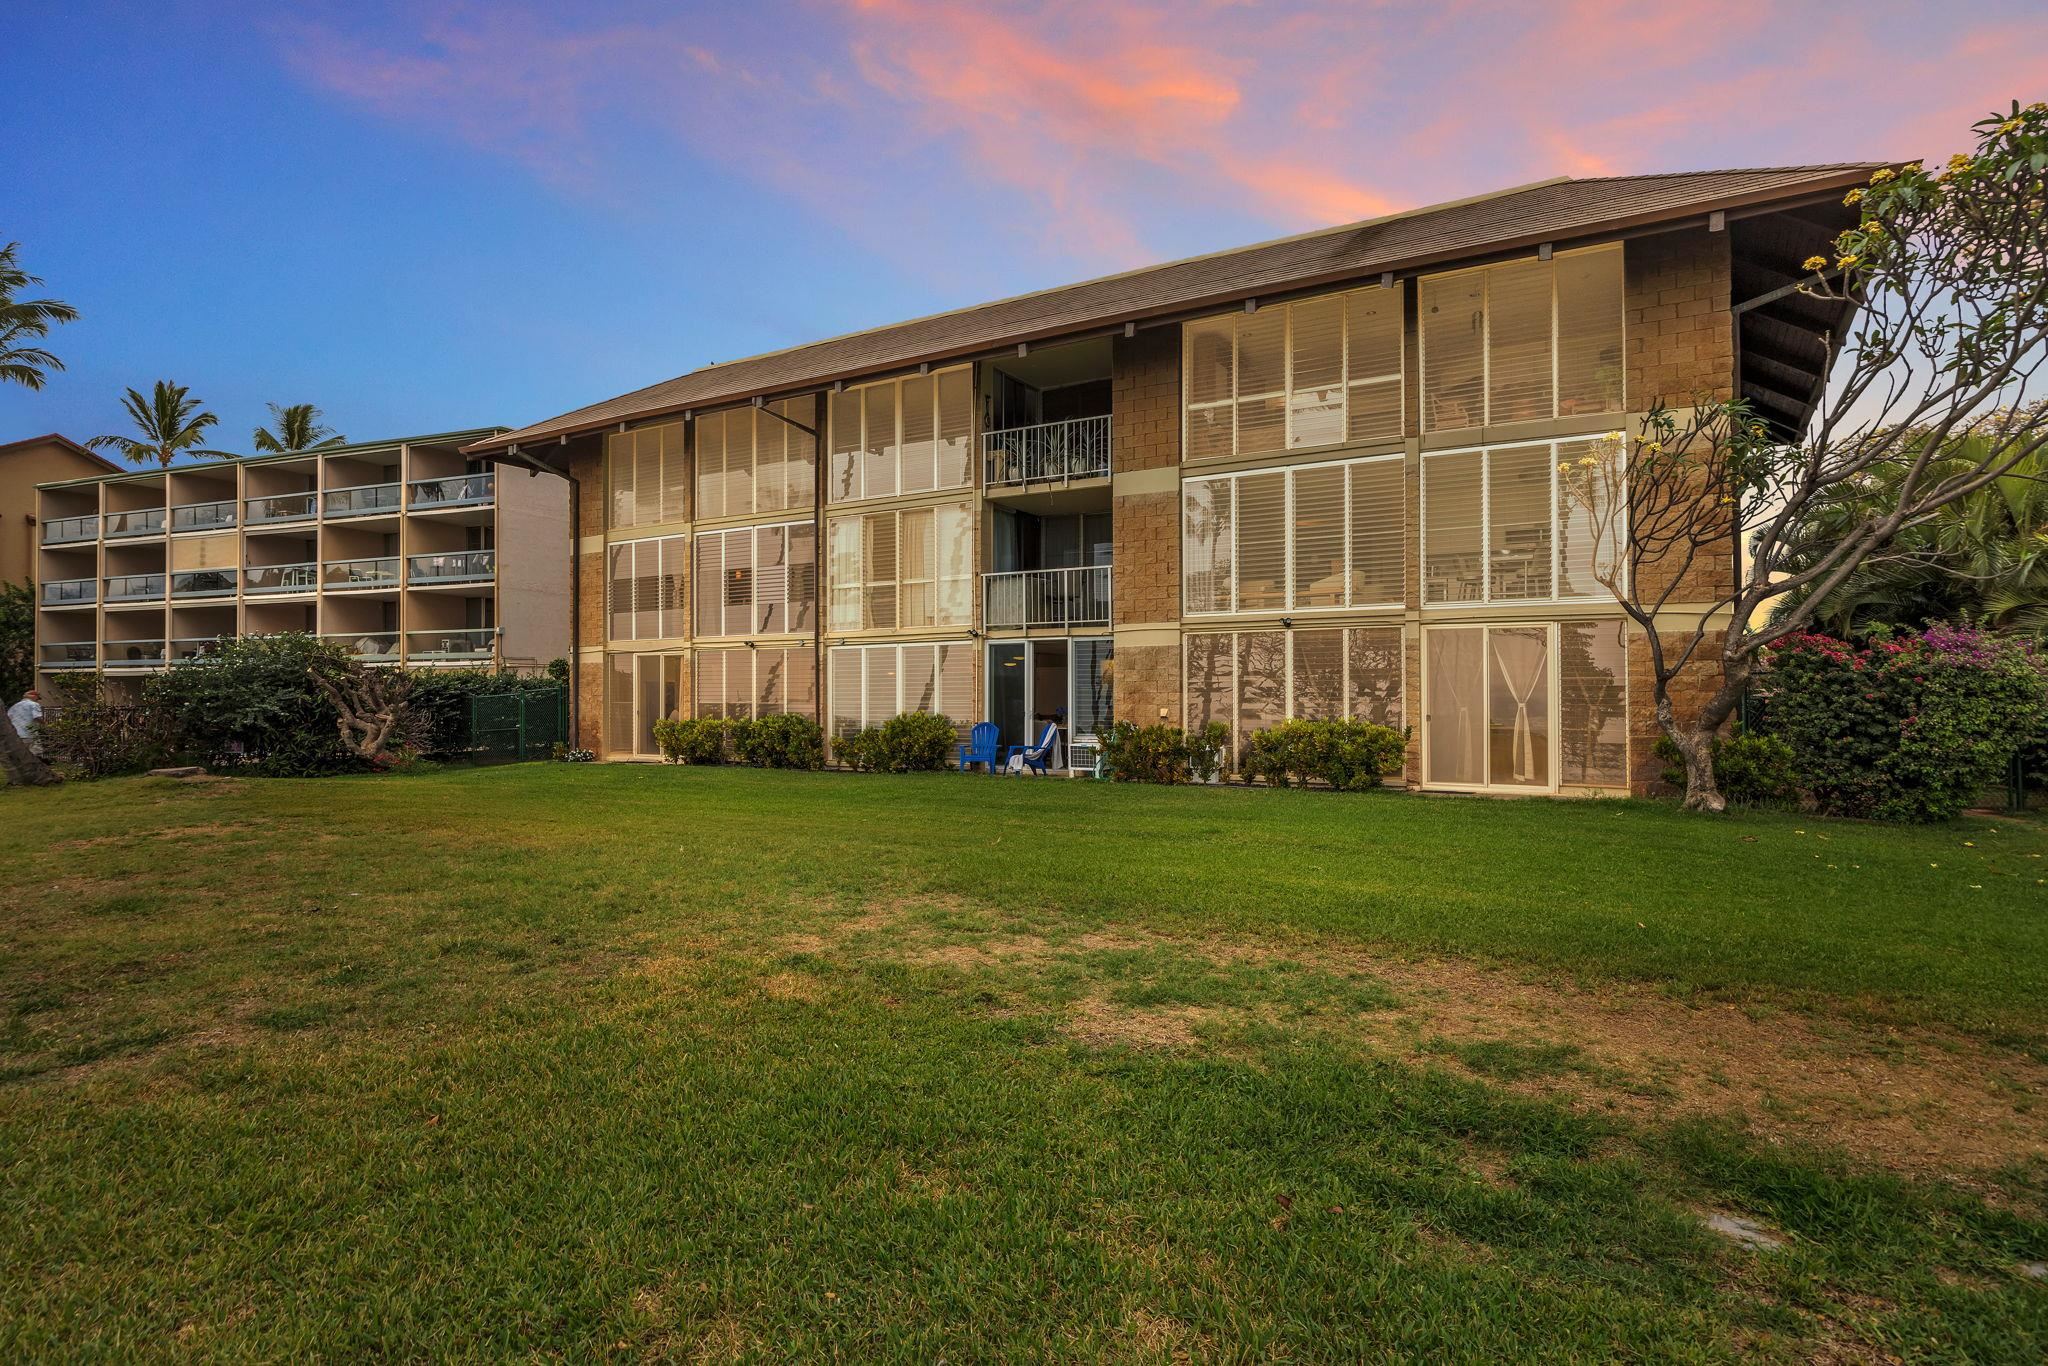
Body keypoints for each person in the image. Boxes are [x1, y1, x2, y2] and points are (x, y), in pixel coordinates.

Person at [7, 689, 43, 754]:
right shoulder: (34, 704)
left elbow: (8, 718)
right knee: (35, 752)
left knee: (20, 754)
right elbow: (38, 717)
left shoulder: (14, 706)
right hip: (29, 734)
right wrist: (47, 724)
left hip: (15, 734)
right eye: (38, 698)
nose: (37, 700)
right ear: (34, 696)